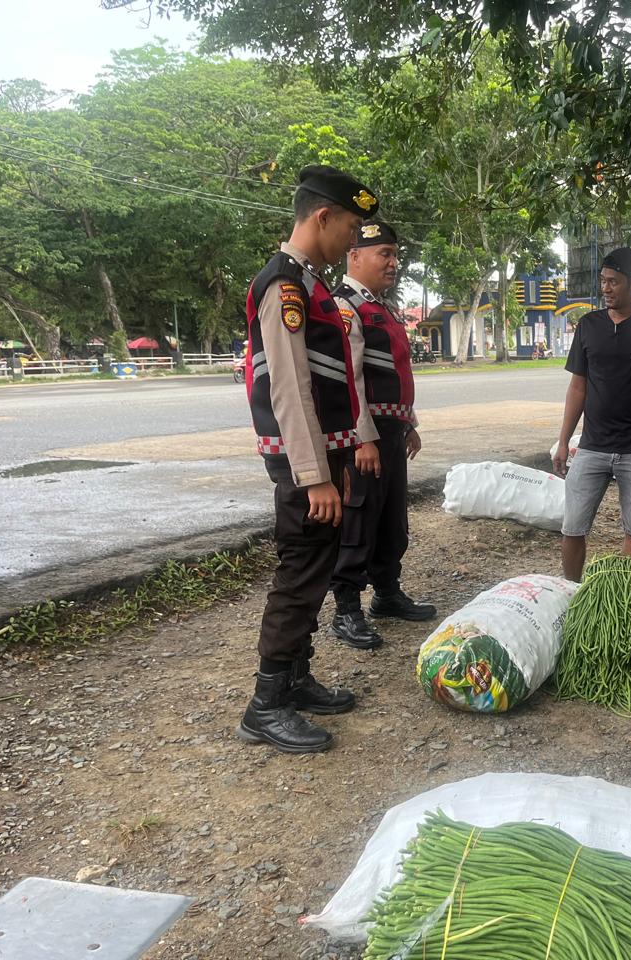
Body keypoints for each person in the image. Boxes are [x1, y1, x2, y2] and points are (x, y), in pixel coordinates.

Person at [237, 164, 380, 753]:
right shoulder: (285, 286)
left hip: (328, 458)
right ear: (322, 216)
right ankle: (265, 704)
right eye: (350, 225)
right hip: (308, 464)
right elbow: (289, 388)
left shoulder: (311, 284)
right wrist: (315, 475)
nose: (354, 239)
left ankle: (295, 678)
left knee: (316, 568)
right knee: (299, 578)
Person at [328, 220, 437, 649]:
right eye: (384, 254)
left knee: (392, 518)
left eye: (395, 254)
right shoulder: (346, 306)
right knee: (359, 518)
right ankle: (347, 609)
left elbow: (396, 372)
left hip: (392, 431)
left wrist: (408, 423)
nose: (393, 263)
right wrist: (362, 438)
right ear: (355, 256)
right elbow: (348, 380)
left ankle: (387, 594)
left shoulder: (385, 308)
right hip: (366, 436)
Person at [554, 247, 631, 582]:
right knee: (572, 527)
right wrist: (563, 441)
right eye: (603, 281)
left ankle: (619, 594)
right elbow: (578, 387)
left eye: (613, 282)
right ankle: (571, 591)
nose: (605, 288)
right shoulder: (589, 326)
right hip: (592, 447)